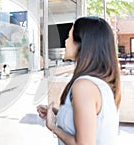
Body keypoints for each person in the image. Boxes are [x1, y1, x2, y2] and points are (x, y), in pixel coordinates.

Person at [37, 16, 121, 144]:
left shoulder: (84, 86)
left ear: (82, 44)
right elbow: (88, 122)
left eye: (69, 37)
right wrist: (58, 114)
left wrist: (53, 127)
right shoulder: (98, 82)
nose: (65, 41)